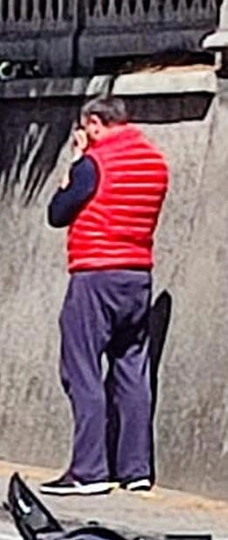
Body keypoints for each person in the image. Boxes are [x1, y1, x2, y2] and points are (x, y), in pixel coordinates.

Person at [42, 96, 169, 497]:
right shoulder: (155, 162)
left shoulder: (94, 163)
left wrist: (76, 162)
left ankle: (88, 470)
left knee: (81, 370)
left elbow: (59, 212)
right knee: (132, 370)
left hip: (95, 273)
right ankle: (135, 469)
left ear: (94, 123)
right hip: (137, 275)